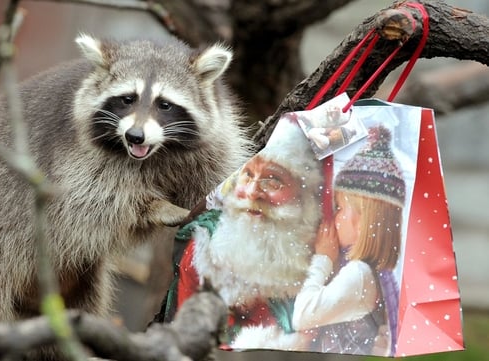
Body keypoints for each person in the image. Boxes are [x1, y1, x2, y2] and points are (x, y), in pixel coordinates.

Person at [167, 119, 324, 350]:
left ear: (303, 199)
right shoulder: (205, 247)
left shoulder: (310, 261)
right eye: (248, 176)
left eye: (273, 181)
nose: (252, 192)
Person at [291, 125, 404, 356]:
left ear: (364, 221)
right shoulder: (375, 272)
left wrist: (323, 258)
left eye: (341, 208)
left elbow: (301, 317)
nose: (336, 217)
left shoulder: (358, 273)